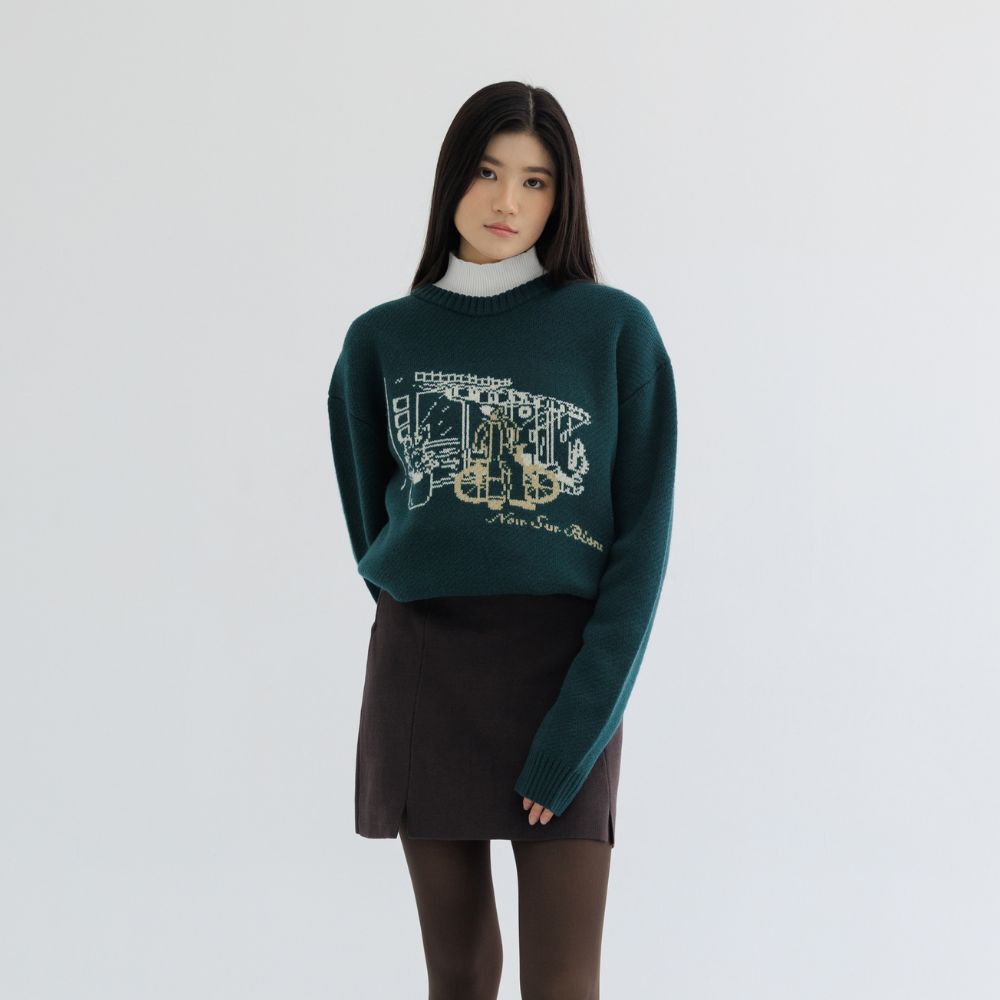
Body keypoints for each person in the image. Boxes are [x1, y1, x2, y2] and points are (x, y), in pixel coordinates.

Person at [327, 80, 678, 999]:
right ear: (452, 178)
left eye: (535, 181)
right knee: (460, 973)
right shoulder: (380, 342)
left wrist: (578, 730)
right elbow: (375, 528)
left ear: (563, 198)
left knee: (562, 982)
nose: (507, 203)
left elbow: (641, 554)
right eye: (488, 173)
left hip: (566, 672)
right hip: (425, 670)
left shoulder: (614, 330)